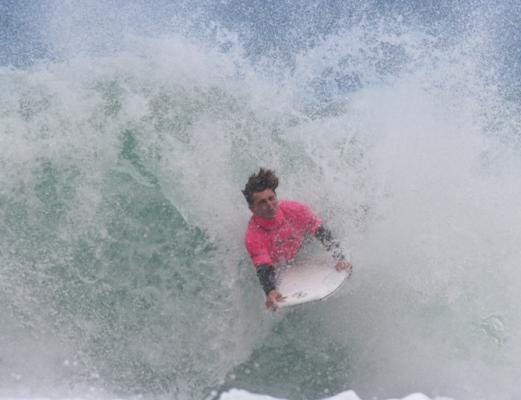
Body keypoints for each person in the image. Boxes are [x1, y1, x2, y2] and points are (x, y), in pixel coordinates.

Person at [242, 168, 353, 310]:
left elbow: (321, 232)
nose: (269, 205)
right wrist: (270, 290)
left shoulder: (294, 210)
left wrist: (340, 257)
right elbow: (264, 267)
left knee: (327, 223)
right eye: (262, 202)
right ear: (252, 208)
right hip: (280, 262)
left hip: (304, 243)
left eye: (271, 198)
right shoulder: (253, 236)